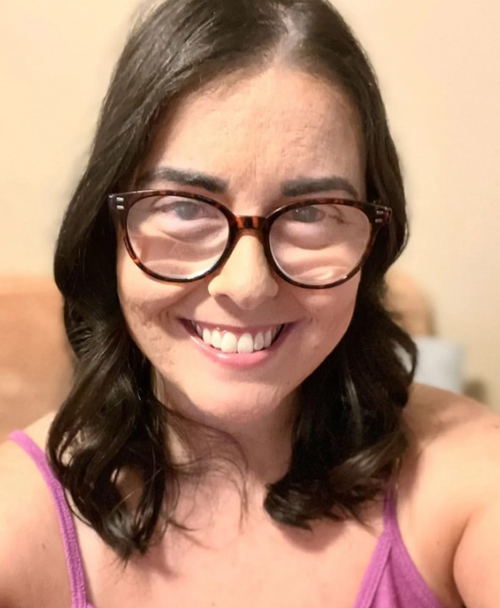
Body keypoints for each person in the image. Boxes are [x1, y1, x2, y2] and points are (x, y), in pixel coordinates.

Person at [1, 0, 499, 606]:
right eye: (184, 206)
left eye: (311, 213)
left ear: (373, 239)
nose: (247, 284)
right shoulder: (18, 522)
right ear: (109, 230)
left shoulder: (466, 475)